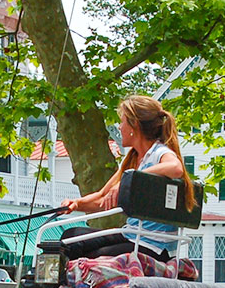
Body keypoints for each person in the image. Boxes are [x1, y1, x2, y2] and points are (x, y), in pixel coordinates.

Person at [56, 94, 196, 260]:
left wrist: (130, 180)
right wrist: (76, 204)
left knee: (92, 256)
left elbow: (176, 168)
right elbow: (102, 198)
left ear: (134, 124)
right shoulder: (133, 159)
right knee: (71, 236)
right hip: (132, 235)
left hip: (152, 245)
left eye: (122, 122)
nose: (120, 127)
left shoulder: (159, 152)